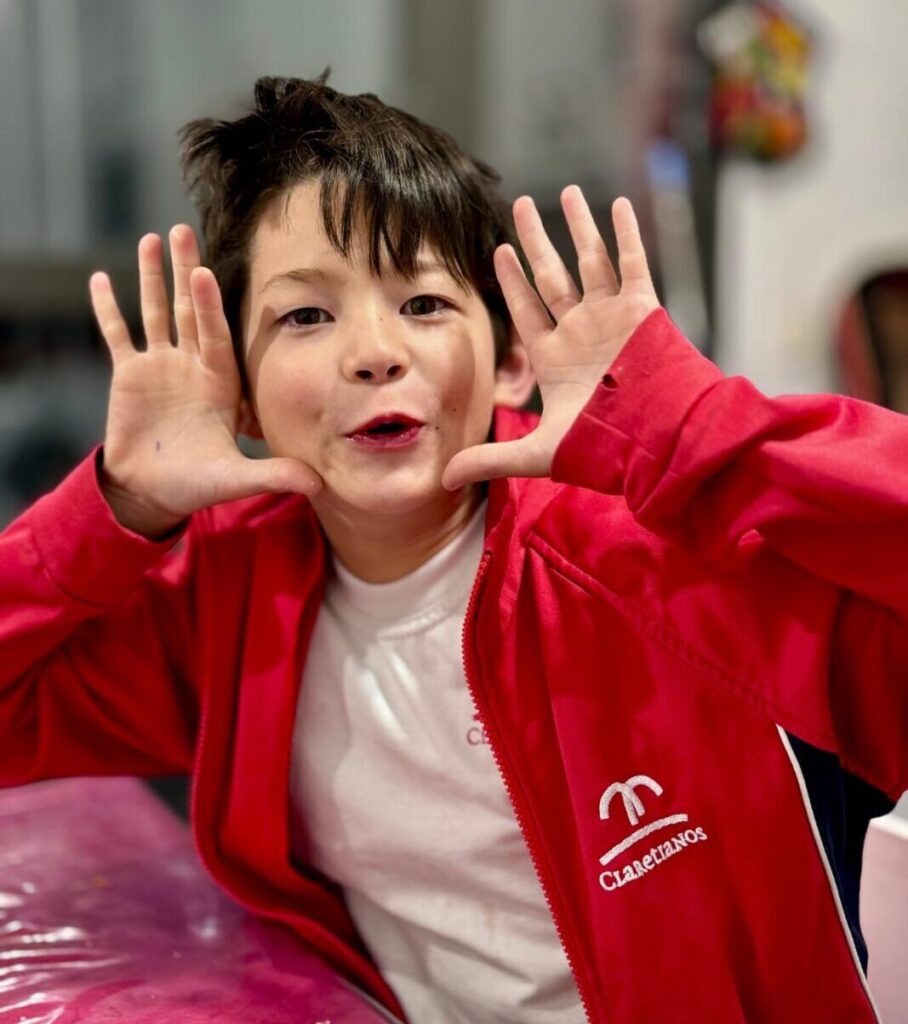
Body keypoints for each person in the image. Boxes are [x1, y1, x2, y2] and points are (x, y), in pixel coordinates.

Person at [1, 74, 906, 1024]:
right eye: (306, 315)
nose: (372, 352)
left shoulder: (669, 568)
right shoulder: (230, 602)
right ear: (238, 393)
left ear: (511, 357)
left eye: (424, 304)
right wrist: (117, 504)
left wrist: (688, 430)